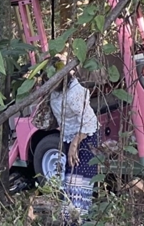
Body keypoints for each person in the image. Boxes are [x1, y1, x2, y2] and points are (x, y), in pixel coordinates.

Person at [46, 57, 99, 225]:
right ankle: (72, 220)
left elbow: (89, 121)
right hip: (70, 138)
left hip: (85, 137)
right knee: (69, 184)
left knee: (78, 184)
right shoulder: (54, 91)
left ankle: (78, 221)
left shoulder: (74, 92)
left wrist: (75, 143)